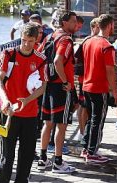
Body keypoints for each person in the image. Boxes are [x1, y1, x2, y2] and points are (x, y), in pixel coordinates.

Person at [0, 22, 47, 182]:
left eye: (30, 41)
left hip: (30, 113)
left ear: (36, 40)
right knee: (6, 155)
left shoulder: (41, 59)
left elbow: (43, 86)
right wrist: (5, 100)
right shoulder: (8, 54)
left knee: (27, 154)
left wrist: (27, 100)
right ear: (20, 37)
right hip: (9, 112)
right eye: (23, 40)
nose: (26, 44)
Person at [37, 11, 77, 173]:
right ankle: (58, 162)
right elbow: (57, 60)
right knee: (62, 125)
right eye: (73, 21)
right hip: (61, 87)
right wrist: (66, 81)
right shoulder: (66, 39)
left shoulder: (50, 36)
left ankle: (43, 158)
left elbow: (39, 55)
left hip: (48, 85)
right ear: (64, 22)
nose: (76, 24)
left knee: (47, 123)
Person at [80, 14, 117, 163]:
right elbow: (110, 71)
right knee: (98, 120)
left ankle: (86, 148)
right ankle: (92, 152)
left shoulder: (88, 41)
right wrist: (115, 91)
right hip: (99, 87)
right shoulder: (107, 46)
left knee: (91, 119)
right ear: (110, 25)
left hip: (87, 85)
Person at [76, 17, 100, 141]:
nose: (100, 30)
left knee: (85, 106)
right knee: (84, 106)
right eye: (98, 27)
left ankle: (84, 132)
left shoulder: (94, 40)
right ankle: (82, 132)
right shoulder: (87, 41)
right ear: (93, 27)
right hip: (84, 78)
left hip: (89, 78)